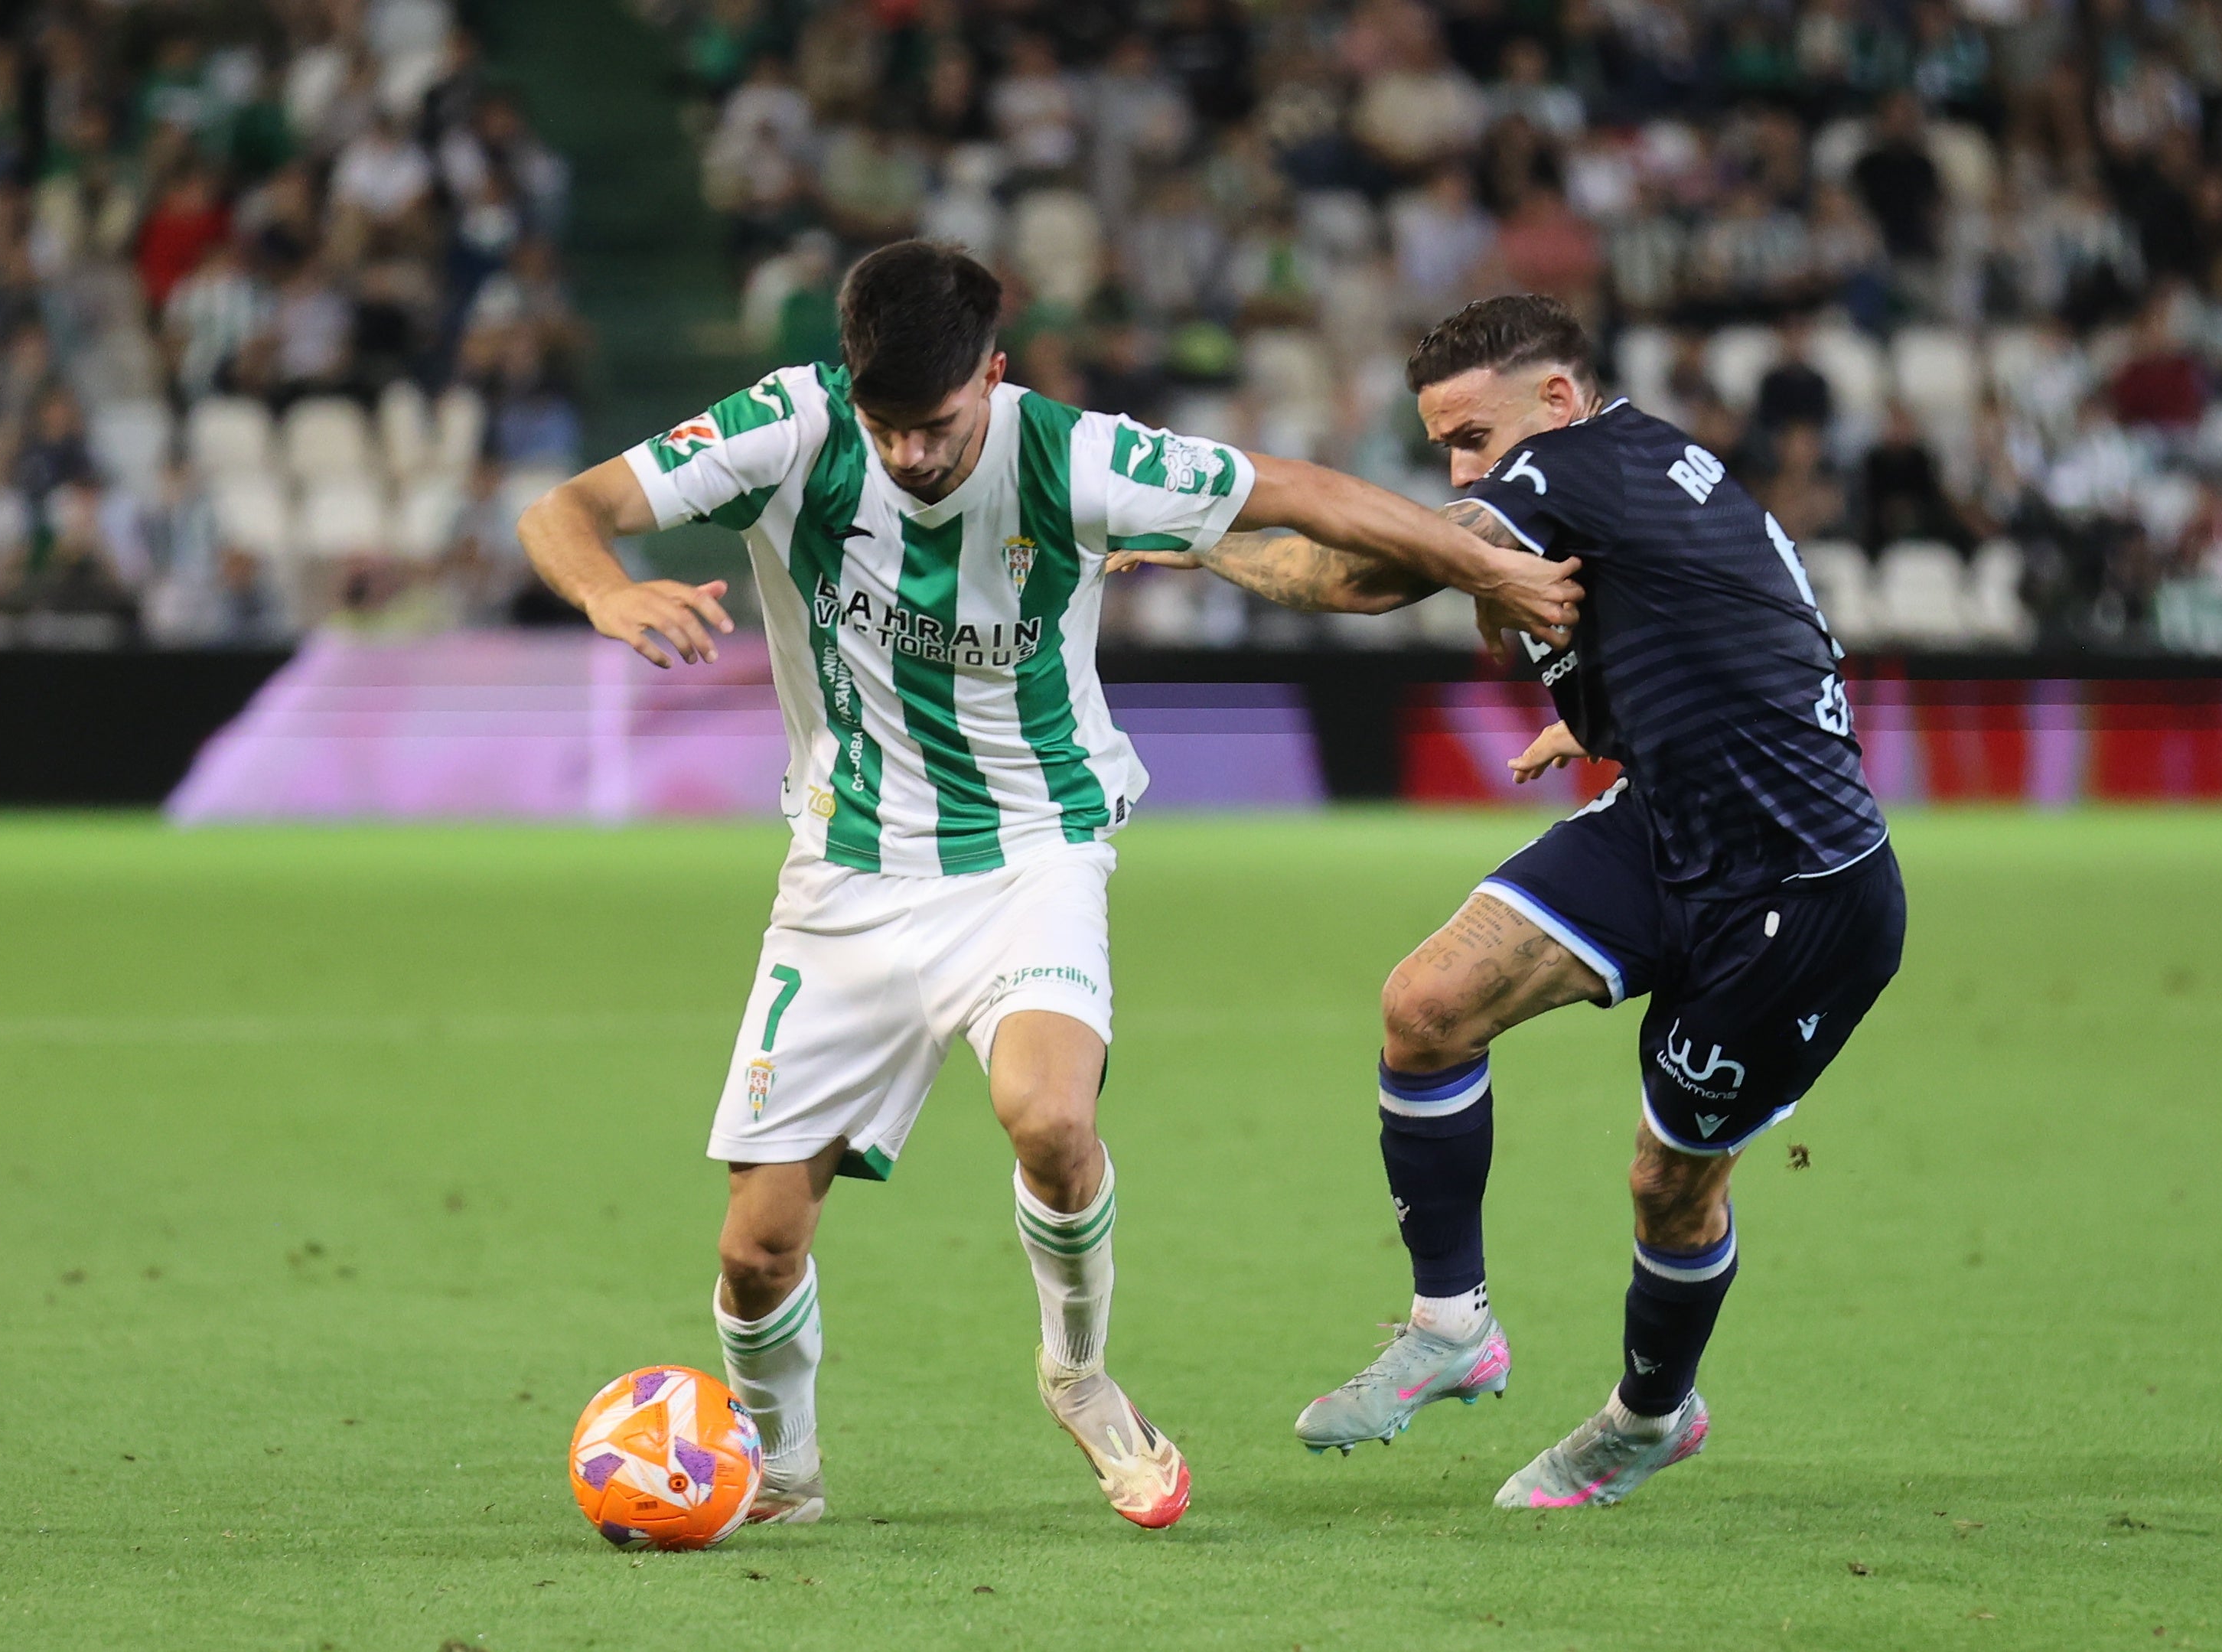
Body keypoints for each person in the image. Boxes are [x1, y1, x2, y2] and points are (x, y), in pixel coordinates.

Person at [516, 243, 1582, 1530]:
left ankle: (1078, 1376)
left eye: (939, 423)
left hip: (1034, 850)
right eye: (886, 426)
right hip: (842, 877)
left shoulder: (1077, 455)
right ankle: (781, 1471)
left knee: (1050, 1121)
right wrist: (609, 588)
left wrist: (1494, 569)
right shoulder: (787, 425)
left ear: (996, 375)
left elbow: (1304, 493)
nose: (910, 454)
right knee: (754, 1249)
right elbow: (559, 511)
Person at [1110, 294, 1904, 1510]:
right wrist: (1603, 715)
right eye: (1443, 446)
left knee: (1669, 1182)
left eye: (1473, 439)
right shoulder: (1636, 466)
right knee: (1426, 1005)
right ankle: (1448, 1325)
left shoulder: (1578, 461)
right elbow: (1743, 615)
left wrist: (1195, 534)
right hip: (1667, 823)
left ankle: (1649, 1416)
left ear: (1554, 400)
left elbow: (1371, 575)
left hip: (1798, 892)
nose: (1460, 471)